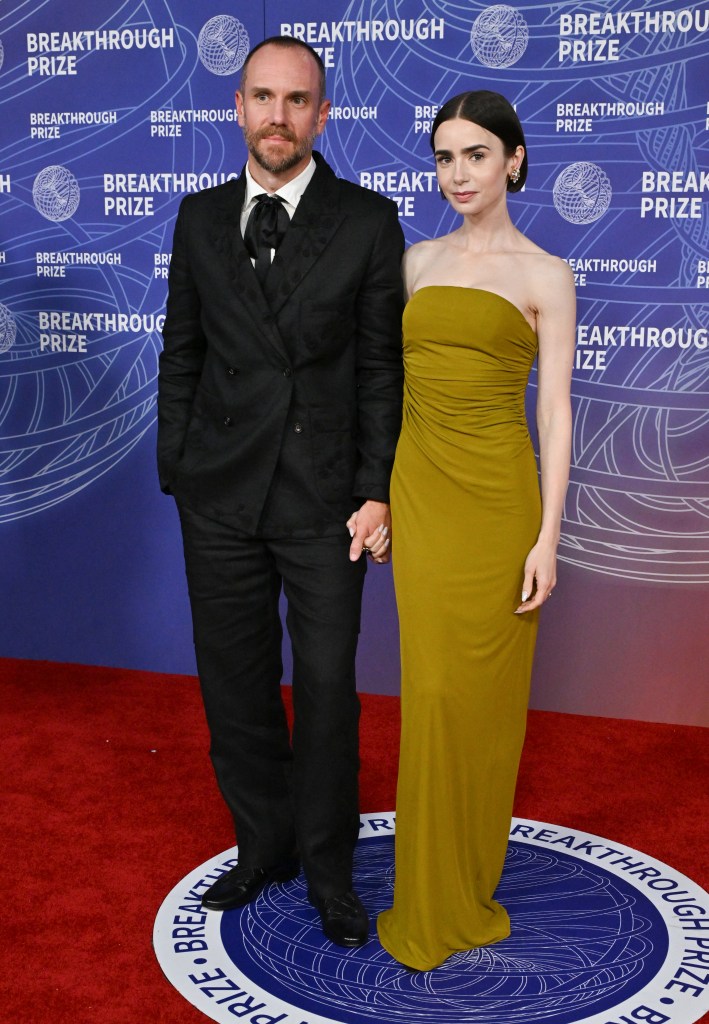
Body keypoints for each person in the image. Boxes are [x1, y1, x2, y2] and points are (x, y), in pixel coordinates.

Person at [157, 36, 404, 948]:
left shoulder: (368, 221)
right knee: (235, 683)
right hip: (217, 495)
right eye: (262, 97)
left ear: (322, 113)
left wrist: (376, 490)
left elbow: (383, 370)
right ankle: (262, 845)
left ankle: (330, 871)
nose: (277, 116)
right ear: (237, 107)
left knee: (330, 688)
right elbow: (181, 349)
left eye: (297, 100)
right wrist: (176, 464)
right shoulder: (196, 216)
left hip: (326, 500)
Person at [376, 90, 575, 970]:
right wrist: (378, 498)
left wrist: (547, 539)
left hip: (500, 511)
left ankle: (463, 887)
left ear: (514, 162)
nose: (458, 174)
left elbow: (558, 415)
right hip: (420, 501)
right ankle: (422, 896)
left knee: (484, 708)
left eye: (477, 155)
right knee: (431, 698)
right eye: (445, 158)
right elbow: (384, 395)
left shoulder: (545, 275)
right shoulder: (414, 262)